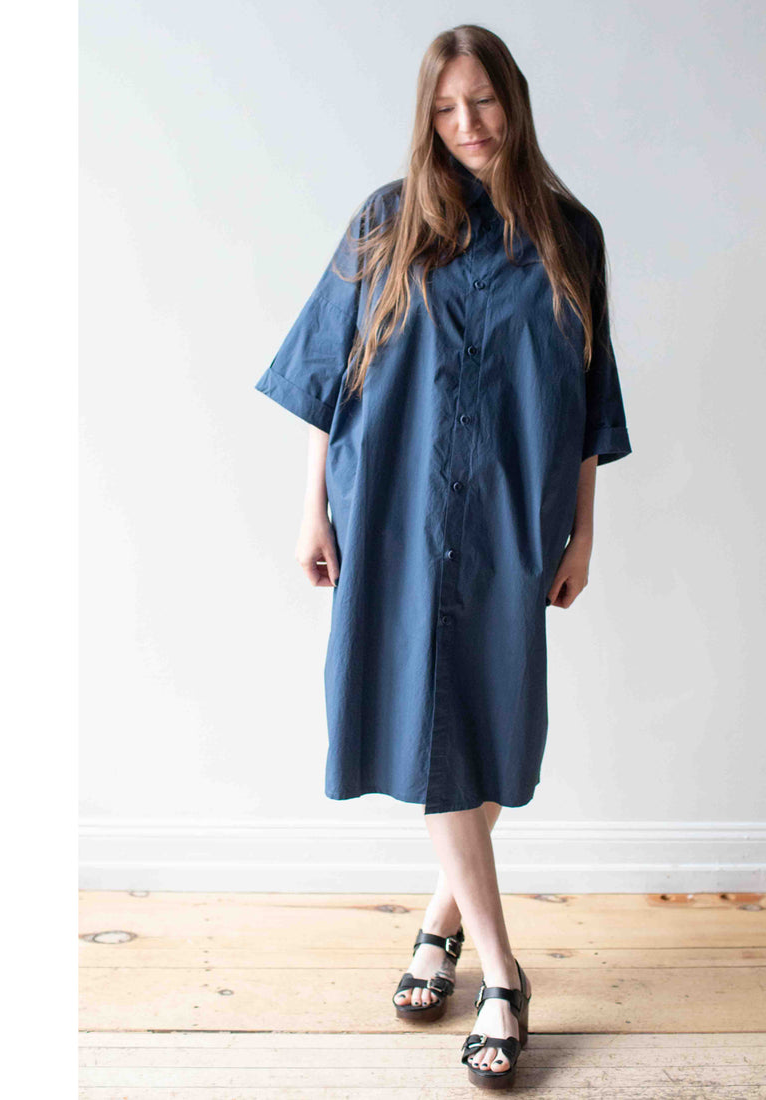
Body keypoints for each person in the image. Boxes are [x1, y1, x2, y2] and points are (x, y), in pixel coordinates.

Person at [255, 24, 632, 1089]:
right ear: (426, 116)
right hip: (393, 512)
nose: (468, 124)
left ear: (514, 99)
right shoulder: (387, 220)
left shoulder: (571, 235)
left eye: (483, 101)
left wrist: (583, 530)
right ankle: (504, 974)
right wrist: (312, 510)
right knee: (432, 719)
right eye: (446, 107)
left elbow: (590, 398)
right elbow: (327, 374)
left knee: (487, 722)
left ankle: (439, 924)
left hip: (513, 514)